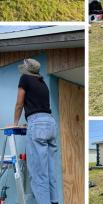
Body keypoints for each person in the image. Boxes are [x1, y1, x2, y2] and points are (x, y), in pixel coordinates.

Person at [13, 58, 58, 204]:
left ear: (26, 70)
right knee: (50, 170)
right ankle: (54, 201)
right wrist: (32, 122)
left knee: (38, 172)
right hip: (50, 123)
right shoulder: (42, 82)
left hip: (37, 124)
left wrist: (16, 123)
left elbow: (20, 103)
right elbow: (40, 108)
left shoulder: (24, 78)